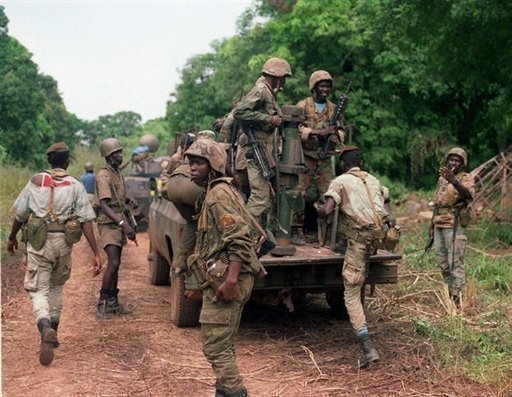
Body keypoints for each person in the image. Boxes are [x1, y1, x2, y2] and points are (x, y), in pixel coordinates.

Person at [6, 142, 101, 366]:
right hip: (63, 244)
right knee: (57, 288)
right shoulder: (75, 185)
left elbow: (20, 215)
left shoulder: (35, 181)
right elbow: (86, 220)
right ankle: (52, 332)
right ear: (68, 162)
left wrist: (11, 238)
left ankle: (45, 327)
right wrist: (96, 252)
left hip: (39, 244)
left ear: (49, 161)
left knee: (38, 289)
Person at [185, 139, 264, 397]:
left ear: (214, 165)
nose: (192, 168)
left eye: (199, 163)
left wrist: (230, 281)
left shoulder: (218, 195)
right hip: (226, 279)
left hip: (229, 281)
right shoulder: (219, 192)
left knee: (216, 347)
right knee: (224, 345)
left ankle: (235, 392)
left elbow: (239, 239)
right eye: (191, 163)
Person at [318, 146, 394, 368]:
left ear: (344, 165)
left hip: (359, 243)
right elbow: (386, 202)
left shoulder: (340, 181)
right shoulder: (373, 179)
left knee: (350, 292)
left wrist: (319, 210)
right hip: (377, 240)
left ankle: (367, 344)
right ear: (361, 162)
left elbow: (329, 209)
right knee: (359, 279)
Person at [233, 57, 292, 225]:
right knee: (260, 198)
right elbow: (239, 112)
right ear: (277, 77)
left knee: (266, 197)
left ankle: (252, 235)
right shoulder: (261, 90)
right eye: (284, 78)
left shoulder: (269, 93)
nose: (284, 83)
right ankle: (242, 236)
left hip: (265, 151)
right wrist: (269, 119)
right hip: (257, 150)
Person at [296, 70, 345, 244]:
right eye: (322, 86)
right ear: (314, 87)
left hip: (325, 157)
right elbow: (296, 128)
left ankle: (327, 231)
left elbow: (341, 130)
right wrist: (317, 132)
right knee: (299, 192)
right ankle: (296, 231)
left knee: (328, 194)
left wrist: (334, 135)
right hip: (307, 156)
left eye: (328, 86)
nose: (325, 90)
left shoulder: (333, 109)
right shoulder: (303, 106)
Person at [161, 130, 215, 273]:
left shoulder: (187, 153)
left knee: (191, 221)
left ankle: (179, 261)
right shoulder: (211, 151)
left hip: (173, 186)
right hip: (191, 187)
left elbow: (165, 177)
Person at [95, 138, 137, 318]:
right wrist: (122, 224)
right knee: (113, 262)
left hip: (119, 220)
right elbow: (104, 204)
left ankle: (113, 302)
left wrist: (127, 200)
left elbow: (117, 197)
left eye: (120, 152)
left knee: (117, 263)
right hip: (109, 223)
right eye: (115, 153)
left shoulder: (117, 172)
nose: (120, 155)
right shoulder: (103, 176)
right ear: (107, 156)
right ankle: (102, 303)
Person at [430, 147, 474, 307]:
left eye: (457, 160)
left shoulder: (466, 178)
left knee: (455, 262)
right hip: (439, 223)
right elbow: (437, 202)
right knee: (442, 262)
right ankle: (450, 293)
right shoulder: (442, 179)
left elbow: (469, 195)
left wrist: (454, 181)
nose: (453, 163)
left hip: (454, 224)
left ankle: (459, 298)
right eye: (451, 159)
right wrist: (431, 225)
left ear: (463, 164)